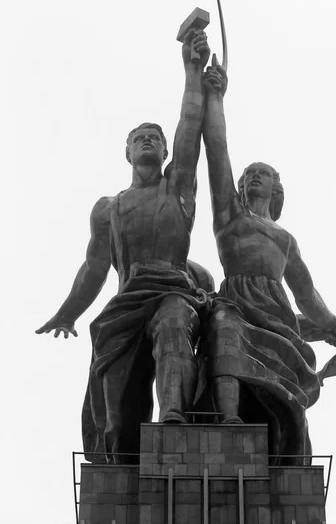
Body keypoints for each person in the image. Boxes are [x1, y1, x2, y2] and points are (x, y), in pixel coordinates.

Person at [36, 30, 213, 463]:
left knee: (174, 329)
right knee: (117, 416)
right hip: (124, 306)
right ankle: (124, 465)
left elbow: (190, 125)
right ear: (128, 152)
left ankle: (173, 416)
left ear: (167, 151)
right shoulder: (107, 209)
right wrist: (68, 312)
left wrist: (192, 71)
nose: (149, 141)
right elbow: (93, 269)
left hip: (173, 290)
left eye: (156, 137)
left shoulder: (178, 188)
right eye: (140, 138)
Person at [201, 59, 336, 461]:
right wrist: (215, 98)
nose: (253, 176)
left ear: (276, 189)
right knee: (223, 328)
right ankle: (229, 420)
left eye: (262, 173)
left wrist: (332, 326)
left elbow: (306, 294)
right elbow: (217, 152)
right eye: (248, 174)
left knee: (288, 366)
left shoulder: (286, 239)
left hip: (279, 318)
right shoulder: (230, 219)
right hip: (235, 304)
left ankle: (283, 433)